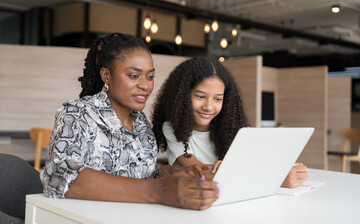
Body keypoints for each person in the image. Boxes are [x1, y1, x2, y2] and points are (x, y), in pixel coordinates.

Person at [40, 33, 219, 210]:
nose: (146, 86)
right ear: (106, 75)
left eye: (150, 77)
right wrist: (160, 189)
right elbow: (60, 176)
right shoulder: (78, 113)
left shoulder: (141, 124)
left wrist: (170, 173)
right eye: (134, 76)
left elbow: (140, 173)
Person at [152, 56, 308, 188]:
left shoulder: (230, 128)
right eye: (200, 96)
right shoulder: (172, 128)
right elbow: (200, 171)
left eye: (218, 99)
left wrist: (281, 169)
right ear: (181, 97)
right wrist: (276, 178)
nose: (208, 107)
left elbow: (250, 164)